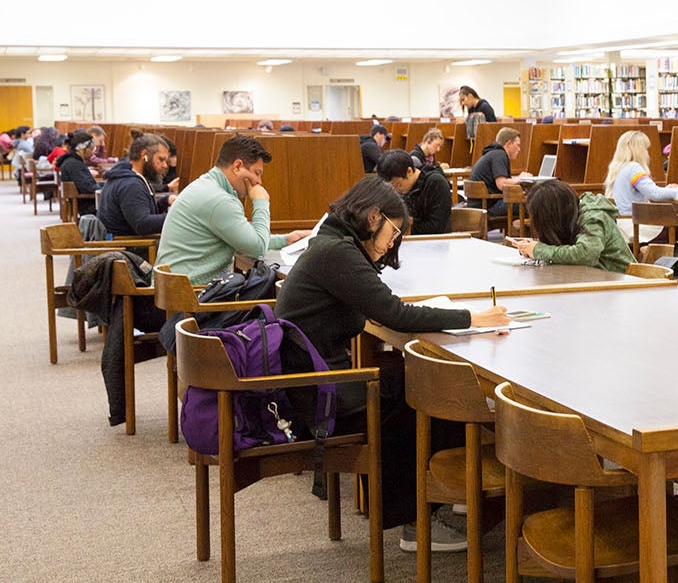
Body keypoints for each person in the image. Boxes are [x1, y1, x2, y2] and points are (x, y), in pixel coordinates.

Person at [275, 175, 509, 552]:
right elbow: (395, 313)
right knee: (429, 388)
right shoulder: (338, 253)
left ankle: (452, 493)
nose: (391, 244)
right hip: (320, 396)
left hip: (313, 380)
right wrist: (471, 318)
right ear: (373, 217)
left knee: (414, 378)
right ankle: (417, 521)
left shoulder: (331, 243)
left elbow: (376, 309)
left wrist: (382, 308)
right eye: (393, 232)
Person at [154, 135, 310, 286]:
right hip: (193, 301)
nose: (259, 182)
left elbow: (245, 238)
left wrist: (286, 240)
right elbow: (257, 248)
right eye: (257, 173)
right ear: (237, 166)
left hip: (179, 293)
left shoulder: (208, 185)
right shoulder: (220, 200)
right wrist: (261, 202)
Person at [511, 179, 636, 272]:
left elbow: (585, 255)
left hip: (628, 287)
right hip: (599, 284)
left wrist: (538, 250)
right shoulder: (571, 217)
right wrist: (532, 248)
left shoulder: (593, 216)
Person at [604, 131, 678, 241]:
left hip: (621, 224)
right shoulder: (634, 168)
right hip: (634, 226)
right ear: (639, 150)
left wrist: (666, 190)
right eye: (646, 149)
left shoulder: (618, 168)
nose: (647, 152)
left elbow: (647, 191)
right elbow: (655, 194)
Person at [98, 134, 174, 238]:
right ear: (144, 155)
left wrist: (165, 201)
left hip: (123, 245)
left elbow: (136, 210)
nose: (165, 165)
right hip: (128, 249)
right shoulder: (131, 184)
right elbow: (143, 224)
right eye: (161, 159)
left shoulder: (125, 176)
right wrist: (178, 216)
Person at [469, 127, 531, 218]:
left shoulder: (492, 153)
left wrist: (516, 179)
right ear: (509, 144)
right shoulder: (499, 154)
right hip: (489, 206)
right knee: (534, 204)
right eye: (517, 145)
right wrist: (521, 179)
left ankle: (519, 229)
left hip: (480, 204)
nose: (519, 149)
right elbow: (501, 184)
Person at [402, 130, 453, 235]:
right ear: (428, 141)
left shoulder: (430, 157)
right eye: (437, 145)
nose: (438, 149)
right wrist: (439, 168)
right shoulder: (415, 158)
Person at [55, 130, 101, 216]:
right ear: (83, 149)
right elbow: (88, 188)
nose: (93, 152)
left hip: (84, 204)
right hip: (89, 207)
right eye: (91, 149)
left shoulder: (72, 162)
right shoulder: (73, 164)